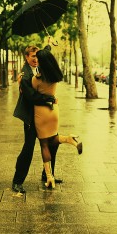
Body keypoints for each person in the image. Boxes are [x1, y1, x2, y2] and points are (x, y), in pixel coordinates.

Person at [12, 45, 62, 194]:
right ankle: (17, 181)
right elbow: (31, 97)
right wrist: (49, 98)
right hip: (30, 116)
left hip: (44, 115)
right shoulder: (25, 75)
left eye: (37, 56)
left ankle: (47, 175)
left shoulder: (41, 66)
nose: (35, 59)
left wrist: (49, 44)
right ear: (26, 57)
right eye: (32, 56)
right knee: (28, 148)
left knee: (52, 144)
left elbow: (45, 53)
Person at [32, 48, 83, 189]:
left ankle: (49, 178)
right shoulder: (54, 76)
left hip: (41, 112)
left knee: (44, 144)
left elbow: (32, 93)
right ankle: (69, 139)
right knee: (53, 138)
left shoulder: (37, 79)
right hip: (54, 110)